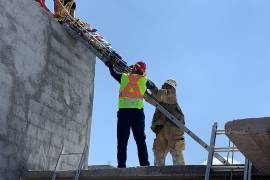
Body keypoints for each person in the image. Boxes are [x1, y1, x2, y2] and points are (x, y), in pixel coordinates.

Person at [106, 61, 157, 168]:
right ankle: (144, 164)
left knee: (122, 140)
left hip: (124, 113)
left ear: (133, 68)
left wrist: (110, 66)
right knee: (140, 140)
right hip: (137, 114)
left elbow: (113, 73)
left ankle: (121, 165)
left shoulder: (124, 77)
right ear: (143, 71)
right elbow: (153, 86)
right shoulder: (144, 80)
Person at [145, 79, 185, 166]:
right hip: (162, 128)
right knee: (158, 150)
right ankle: (158, 173)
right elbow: (150, 99)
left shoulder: (171, 93)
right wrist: (142, 89)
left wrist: (148, 84)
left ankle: (181, 173)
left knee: (176, 150)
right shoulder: (161, 99)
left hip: (174, 127)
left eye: (165, 85)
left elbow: (158, 95)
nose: (163, 86)